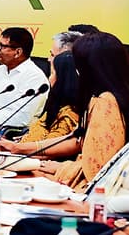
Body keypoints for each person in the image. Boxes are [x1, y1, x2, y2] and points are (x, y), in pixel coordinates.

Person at [37, 32, 129, 191]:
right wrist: (21, 149)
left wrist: (60, 168)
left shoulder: (106, 102)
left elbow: (97, 170)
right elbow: (78, 141)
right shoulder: (110, 95)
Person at [0, 51, 79, 157]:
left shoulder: (68, 114)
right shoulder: (56, 107)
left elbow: (49, 152)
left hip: (35, 161)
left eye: (52, 74)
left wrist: (16, 148)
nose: (49, 79)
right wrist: (15, 144)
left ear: (62, 79)